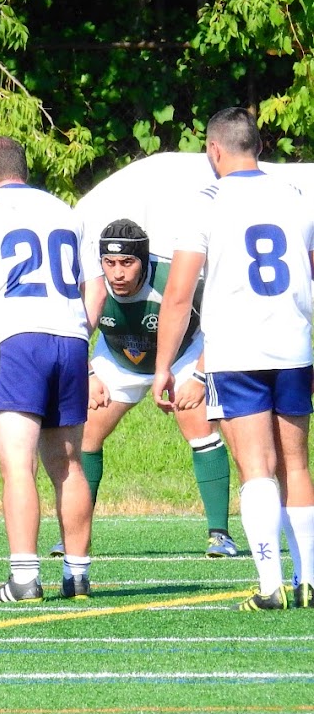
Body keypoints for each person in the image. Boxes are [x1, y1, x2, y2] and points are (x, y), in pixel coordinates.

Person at [152, 107, 314, 610]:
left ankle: (270, 586)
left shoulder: (207, 201)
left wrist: (163, 367)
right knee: (296, 464)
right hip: (293, 344)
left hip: (237, 350)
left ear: (213, 149)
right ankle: (308, 581)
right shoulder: (297, 196)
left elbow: (178, 294)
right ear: (259, 147)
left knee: (256, 466)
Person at [0, 136, 94, 603]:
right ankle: (77, 574)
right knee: (68, 463)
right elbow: (94, 285)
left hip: (16, 340)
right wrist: (80, 330)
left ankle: (24, 578)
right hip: (69, 338)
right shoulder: (65, 211)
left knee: (18, 465)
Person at [67, 219, 236, 558]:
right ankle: (75, 536)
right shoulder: (91, 282)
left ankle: (220, 535)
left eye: (127, 263)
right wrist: (88, 373)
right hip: (118, 357)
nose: (118, 273)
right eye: (110, 262)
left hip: (182, 354)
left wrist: (199, 376)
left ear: (144, 260)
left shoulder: (174, 277)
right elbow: (67, 328)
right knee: (84, 430)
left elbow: (223, 324)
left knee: (197, 425)